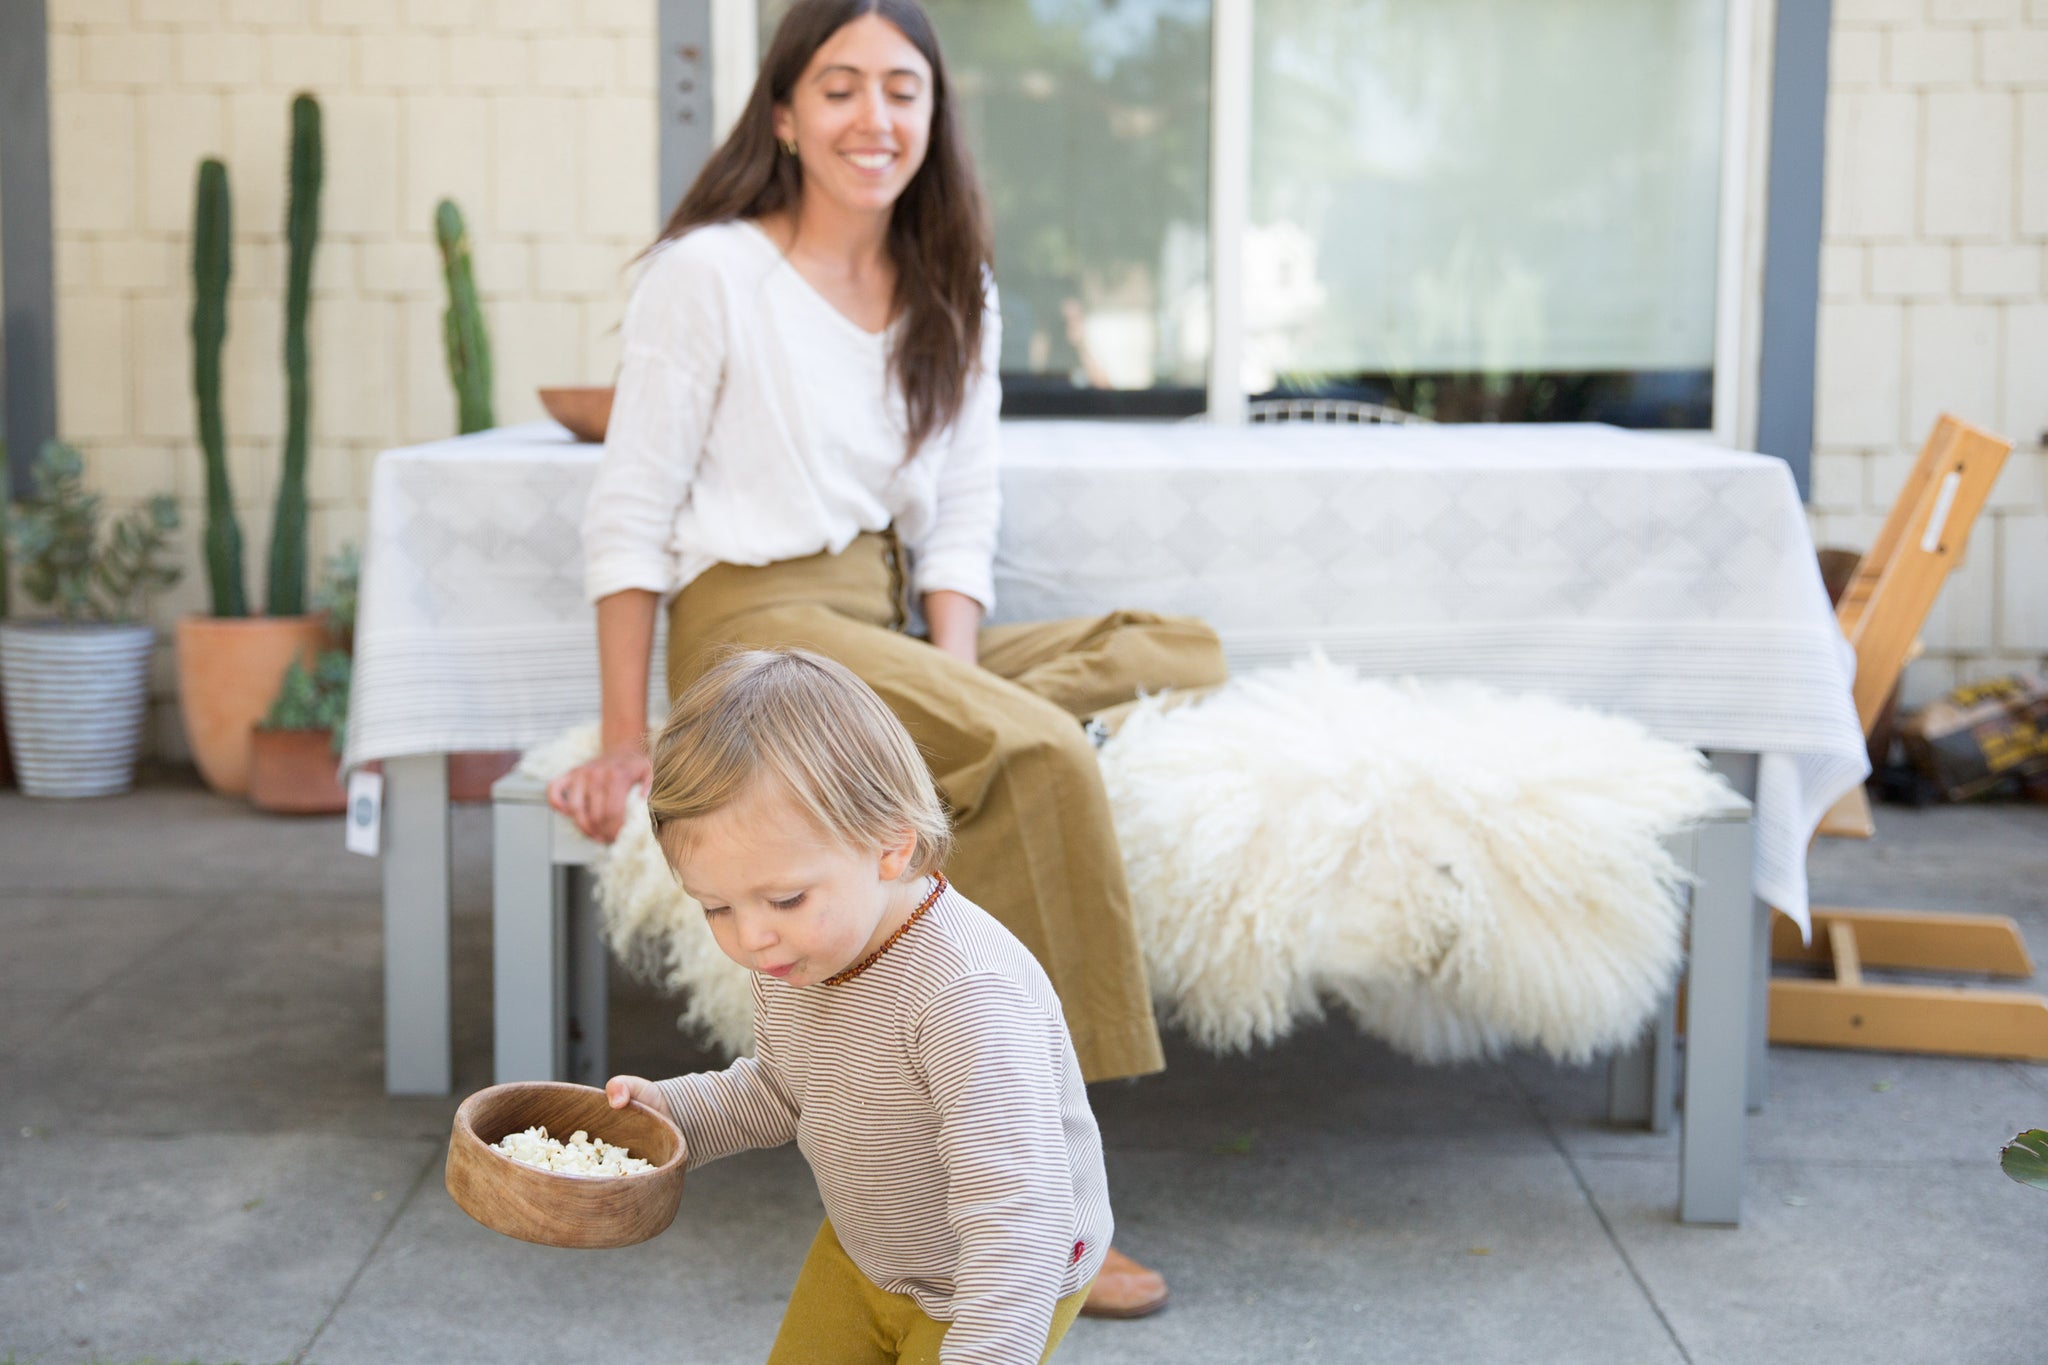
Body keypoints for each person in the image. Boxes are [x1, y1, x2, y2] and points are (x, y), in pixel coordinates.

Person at [546, 0, 1227, 1317]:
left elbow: (959, 520)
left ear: (935, 115)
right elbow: (628, 512)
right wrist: (624, 732)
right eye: (841, 87)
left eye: (902, 89)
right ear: (786, 115)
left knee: (1174, 648)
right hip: (757, 629)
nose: (876, 117)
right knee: (1036, 751)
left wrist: (951, 678)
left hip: (881, 619)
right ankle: (1058, 1201)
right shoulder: (712, 274)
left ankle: (971, 700)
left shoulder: (950, 287)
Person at [603, 647, 1108, 1363]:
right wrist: (670, 1113)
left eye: (785, 898)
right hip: (871, 1249)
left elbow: (1019, 1215)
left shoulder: (967, 998)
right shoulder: (798, 952)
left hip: (1001, 1271)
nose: (751, 935)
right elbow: (784, 1089)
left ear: (891, 847)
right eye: (716, 906)